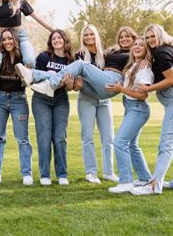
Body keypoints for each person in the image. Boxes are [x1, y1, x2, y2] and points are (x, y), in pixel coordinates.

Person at [16, 25, 138, 183]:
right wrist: (74, 85)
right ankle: (91, 173)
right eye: (85, 34)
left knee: (108, 136)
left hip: (105, 95)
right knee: (87, 136)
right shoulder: (82, 54)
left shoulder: (107, 53)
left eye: (91, 34)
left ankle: (109, 171)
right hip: (87, 95)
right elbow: (73, 85)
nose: (89, 37)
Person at [131, 24, 173, 195]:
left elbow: (172, 79)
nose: (150, 40)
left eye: (153, 36)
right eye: (147, 37)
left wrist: (147, 89)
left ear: (160, 35)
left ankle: (153, 186)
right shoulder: (166, 49)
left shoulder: (160, 53)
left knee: (166, 144)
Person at [0, 28, 33, 185]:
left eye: (9, 38)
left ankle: (26, 173)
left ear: (16, 40)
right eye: (4, 39)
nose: (7, 42)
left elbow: (30, 81)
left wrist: (26, 72)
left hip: (19, 100)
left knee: (22, 139)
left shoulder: (23, 57)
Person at [106, 37, 153, 193]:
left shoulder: (144, 68)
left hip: (138, 108)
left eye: (142, 45)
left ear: (147, 50)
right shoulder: (134, 64)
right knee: (132, 145)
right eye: (136, 45)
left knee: (120, 142)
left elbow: (143, 95)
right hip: (131, 107)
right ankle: (145, 178)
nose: (137, 47)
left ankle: (126, 181)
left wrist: (121, 89)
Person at [31, 29, 74, 186]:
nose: (57, 40)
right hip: (41, 99)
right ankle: (45, 175)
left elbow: (70, 88)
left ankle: (62, 174)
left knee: (60, 138)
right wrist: (58, 79)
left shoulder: (71, 61)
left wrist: (67, 83)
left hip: (61, 100)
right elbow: (36, 80)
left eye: (59, 37)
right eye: (53, 38)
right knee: (44, 137)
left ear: (64, 40)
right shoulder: (44, 57)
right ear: (51, 42)